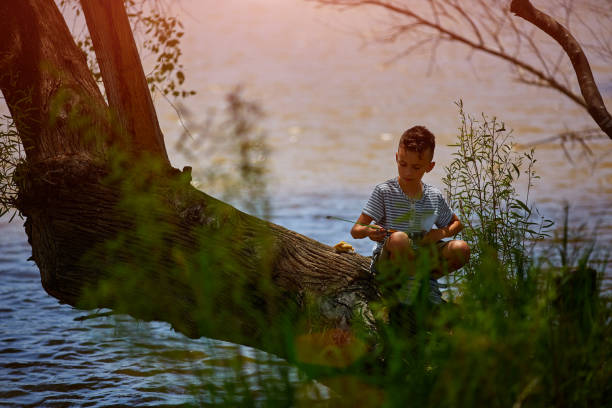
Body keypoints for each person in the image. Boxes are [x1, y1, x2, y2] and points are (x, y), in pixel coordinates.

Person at [351, 126, 470, 305]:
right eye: (403, 164)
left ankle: (424, 282)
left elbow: (457, 224)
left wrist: (440, 233)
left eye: (416, 167)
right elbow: (356, 230)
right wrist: (370, 231)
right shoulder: (384, 191)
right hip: (390, 263)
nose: (407, 172)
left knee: (461, 248)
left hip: (421, 258)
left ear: (430, 167)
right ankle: (413, 288)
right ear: (396, 157)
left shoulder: (433, 196)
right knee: (399, 239)